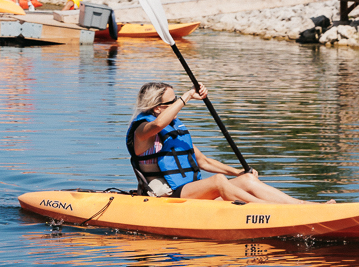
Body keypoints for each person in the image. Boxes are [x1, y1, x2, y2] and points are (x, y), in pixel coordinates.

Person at [127, 82, 302, 204]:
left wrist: (238, 172)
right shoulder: (142, 131)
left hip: (188, 191)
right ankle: (270, 210)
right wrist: (187, 96)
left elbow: (204, 162)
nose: (177, 104)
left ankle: (301, 206)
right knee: (218, 181)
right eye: (173, 101)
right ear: (157, 107)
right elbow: (158, 124)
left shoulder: (173, 131)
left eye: (177, 98)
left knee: (247, 180)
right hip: (166, 195)